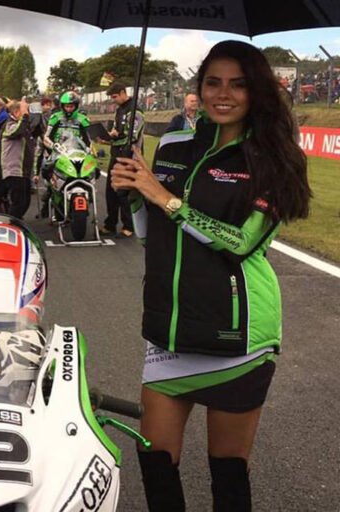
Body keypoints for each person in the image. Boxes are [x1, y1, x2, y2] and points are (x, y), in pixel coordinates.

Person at [110, 41, 311, 511]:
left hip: (238, 338)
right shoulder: (175, 146)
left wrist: (164, 198)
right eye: (213, 82)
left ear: (256, 91)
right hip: (170, 331)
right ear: (198, 88)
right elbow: (149, 238)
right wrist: (134, 193)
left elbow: (241, 242)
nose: (224, 94)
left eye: (238, 84)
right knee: (155, 462)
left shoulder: (272, 157)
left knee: (228, 474)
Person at [100, 82, 143, 238]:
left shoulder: (135, 111)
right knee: (110, 191)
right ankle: (110, 224)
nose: (114, 100)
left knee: (123, 192)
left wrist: (112, 138)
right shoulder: (119, 110)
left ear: (123, 92)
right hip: (115, 154)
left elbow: (133, 136)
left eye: (115, 96)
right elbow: (117, 131)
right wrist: (109, 136)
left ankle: (128, 225)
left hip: (129, 156)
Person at [1, 100, 33, 219]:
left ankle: (17, 223)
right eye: (25, 111)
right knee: (18, 203)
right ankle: (10, 225)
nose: (27, 113)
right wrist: (24, 116)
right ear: (16, 112)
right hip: (13, 170)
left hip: (23, 171)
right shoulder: (9, 124)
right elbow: (17, 131)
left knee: (25, 202)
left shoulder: (23, 124)